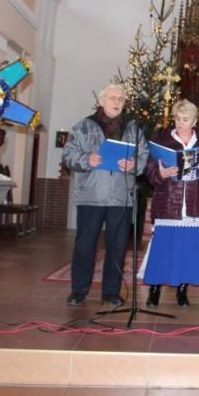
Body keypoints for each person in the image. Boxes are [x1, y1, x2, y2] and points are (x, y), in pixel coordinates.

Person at [62, 84, 148, 306]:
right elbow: (69, 155)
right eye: (112, 97)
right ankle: (78, 291)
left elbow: (144, 158)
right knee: (85, 245)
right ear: (101, 101)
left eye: (121, 98)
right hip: (92, 195)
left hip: (121, 197)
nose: (117, 102)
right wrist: (86, 160)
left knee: (118, 247)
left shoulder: (133, 129)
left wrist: (133, 164)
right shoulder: (83, 127)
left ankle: (111, 292)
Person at [142, 100, 199, 307]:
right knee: (162, 248)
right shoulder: (162, 139)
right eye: (178, 118)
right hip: (168, 202)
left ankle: (183, 290)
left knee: (189, 250)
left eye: (186, 119)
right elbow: (149, 169)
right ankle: (154, 289)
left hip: (194, 204)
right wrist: (160, 173)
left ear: (195, 121)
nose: (181, 123)